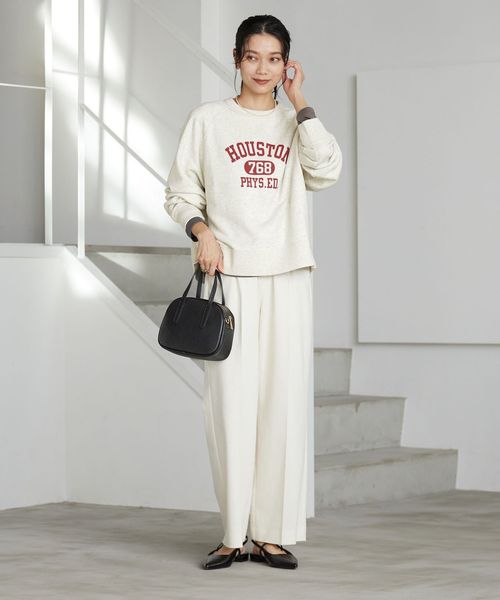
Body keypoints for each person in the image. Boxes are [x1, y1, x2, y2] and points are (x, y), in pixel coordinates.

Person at [164, 14, 342, 570]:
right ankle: (232, 533)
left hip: (287, 274)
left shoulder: (296, 124)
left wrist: (301, 101)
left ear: (286, 63)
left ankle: (270, 534)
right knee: (229, 408)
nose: (262, 68)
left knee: (282, 406)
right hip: (229, 279)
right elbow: (179, 193)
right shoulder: (208, 120)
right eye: (252, 57)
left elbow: (327, 170)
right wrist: (202, 232)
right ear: (236, 59)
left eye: (274, 58)